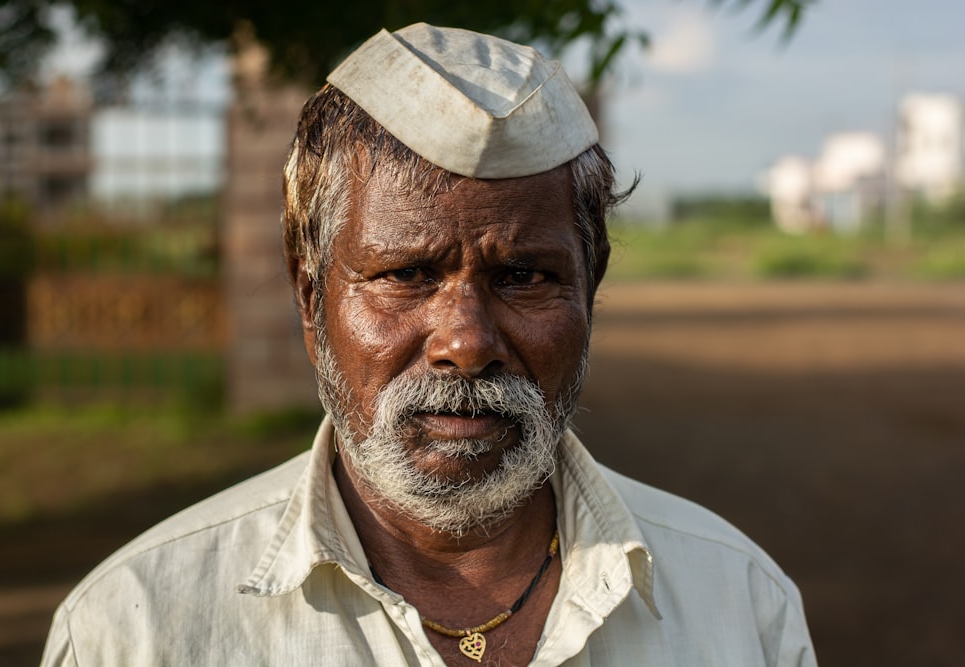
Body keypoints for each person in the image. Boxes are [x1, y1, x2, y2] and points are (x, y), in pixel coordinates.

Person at [41, 23, 817, 667]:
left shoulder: (739, 604)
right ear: (309, 292)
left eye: (523, 276)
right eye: (406, 273)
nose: (466, 343)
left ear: (592, 281)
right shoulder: (136, 627)